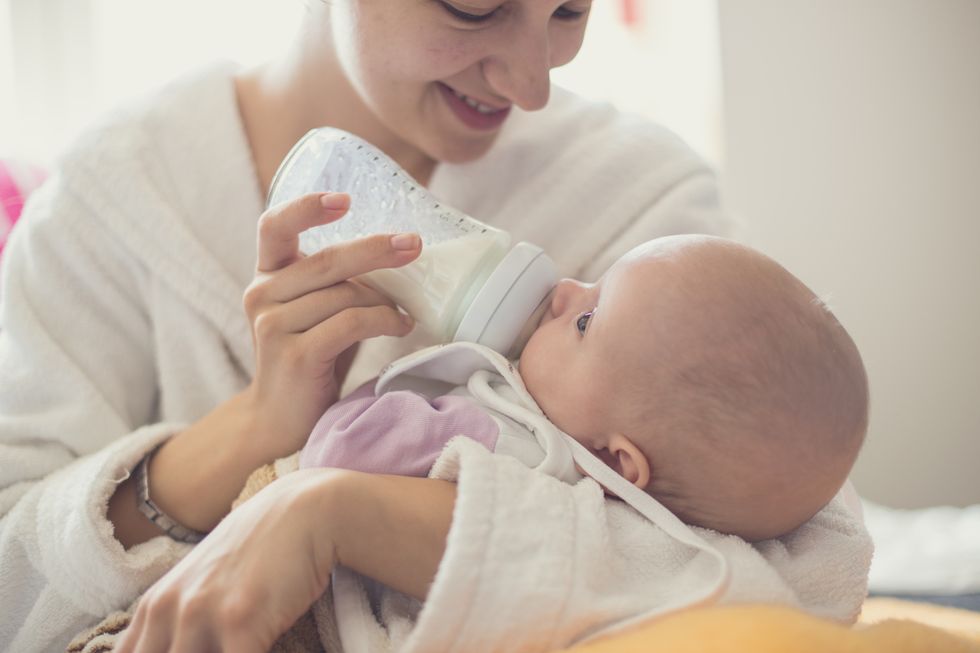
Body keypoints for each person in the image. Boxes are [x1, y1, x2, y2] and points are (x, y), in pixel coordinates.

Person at [0, 1, 871, 651]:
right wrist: (254, 431)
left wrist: (348, 512)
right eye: (473, 4)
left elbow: (795, 563)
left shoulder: (641, 196)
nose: (533, 84)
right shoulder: (114, 198)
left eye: (569, 9)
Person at [301, 234, 868, 543]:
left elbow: (330, 454)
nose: (566, 290)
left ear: (617, 462)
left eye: (586, 321)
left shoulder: (499, 442)